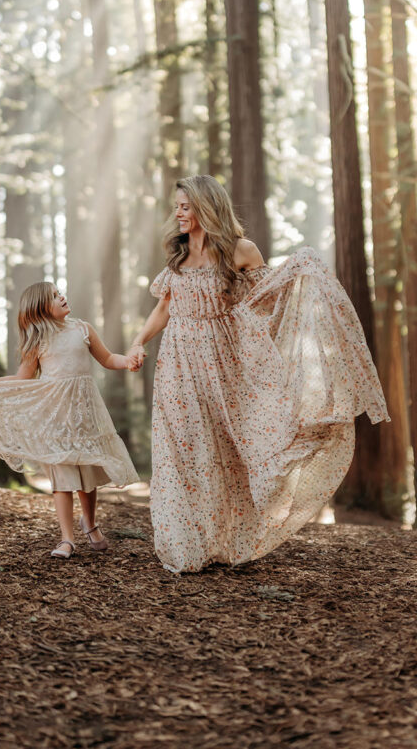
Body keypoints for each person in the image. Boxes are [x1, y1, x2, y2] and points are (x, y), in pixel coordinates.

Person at [128, 175, 389, 574]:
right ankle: (187, 543)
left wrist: (299, 271)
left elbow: (266, 302)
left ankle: (228, 540)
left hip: (224, 363)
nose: (178, 213)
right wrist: (138, 341)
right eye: (177, 206)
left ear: (205, 206)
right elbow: (164, 307)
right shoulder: (178, 256)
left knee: (227, 451)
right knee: (183, 449)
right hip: (178, 363)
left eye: (184, 205)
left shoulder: (240, 251)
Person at [0, 282, 138, 559]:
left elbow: (107, 358)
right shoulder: (38, 341)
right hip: (54, 417)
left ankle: (89, 524)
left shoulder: (83, 329)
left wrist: (126, 361)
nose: (62, 296)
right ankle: (67, 539)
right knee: (62, 477)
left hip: (85, 415)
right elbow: (21, 379)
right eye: (54, 296)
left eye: (60, 292)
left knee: (87, 476)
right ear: (42, 308)